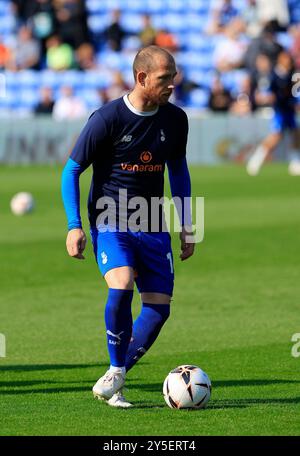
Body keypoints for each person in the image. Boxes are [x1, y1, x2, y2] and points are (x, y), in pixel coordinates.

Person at [61, 45, 195, 408]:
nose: (172, 85)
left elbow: (178, 171)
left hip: (152, 223)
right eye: (165, 79)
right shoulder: (107, 118)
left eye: (174, 77)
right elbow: (71, 170)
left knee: (157, 309)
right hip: (111, 219)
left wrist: (187, 224)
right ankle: (117, 369)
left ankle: (116, 372)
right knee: (121, 285)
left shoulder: (175, 119)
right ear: (142, 78)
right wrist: (75, 226)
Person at [246, 51, 300, 175]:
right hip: (280, 111)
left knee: (296, 134)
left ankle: (295, 162)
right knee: (276, 135)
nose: (288, 62)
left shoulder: (292, 74)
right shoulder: (274, 75)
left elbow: (294, 92)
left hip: (289, 110)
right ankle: (257, 159)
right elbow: (267, 92)